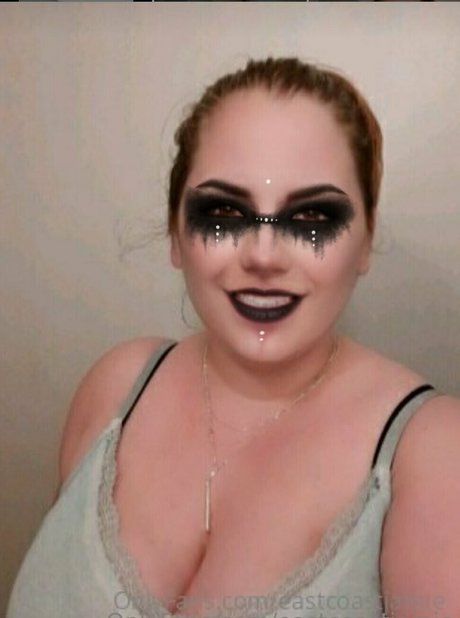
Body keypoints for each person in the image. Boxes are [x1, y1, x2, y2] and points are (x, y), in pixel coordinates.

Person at [6, 56, 460, 618]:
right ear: (175, 232)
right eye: (223, 211)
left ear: (366, 241)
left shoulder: (433, 453)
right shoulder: (115, 387)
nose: (263, 256)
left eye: (311, 219)